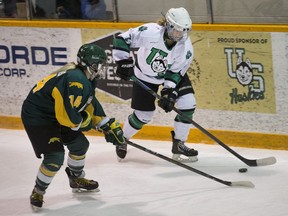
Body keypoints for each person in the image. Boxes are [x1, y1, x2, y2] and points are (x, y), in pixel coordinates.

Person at [21, 43, 125, 209]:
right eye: (100, 65)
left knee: (80, 145)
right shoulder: (76, 80)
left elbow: (88, 101)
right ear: (90, 64)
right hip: (39, 116)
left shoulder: (81, 76)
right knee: (55, 157)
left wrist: (105, 123)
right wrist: (90, 124)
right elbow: (69, 119)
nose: (101, 69)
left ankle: (76, 178)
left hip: (56, 114)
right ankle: (38, 191)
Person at [112, 7, 198, 162]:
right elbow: (122, 38)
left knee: (188, 103)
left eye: (185, 30)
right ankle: (122, 138)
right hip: (144, 76)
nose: (181, 34)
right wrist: (123, 61)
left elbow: (176, 73)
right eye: (178, 30)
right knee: (143, 116)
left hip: (169, 75)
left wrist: (169, 92)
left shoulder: (186, 48)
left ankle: (179, 143)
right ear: (169, 26)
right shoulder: (151, 31)